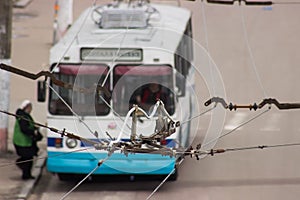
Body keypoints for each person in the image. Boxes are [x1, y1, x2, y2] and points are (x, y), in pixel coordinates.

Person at [13, 100, 43, 180]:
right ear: (26, 107)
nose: (31, 109)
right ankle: (25, 175)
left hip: (25, 141)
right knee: (27, 159)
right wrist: (33, 132)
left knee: (28, 158)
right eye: (30, 107)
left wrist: (35, 127)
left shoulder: (26, 116)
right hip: (22, 141)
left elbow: (29, 125)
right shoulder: (23, 117)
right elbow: (24, 128)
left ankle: (27, 174)